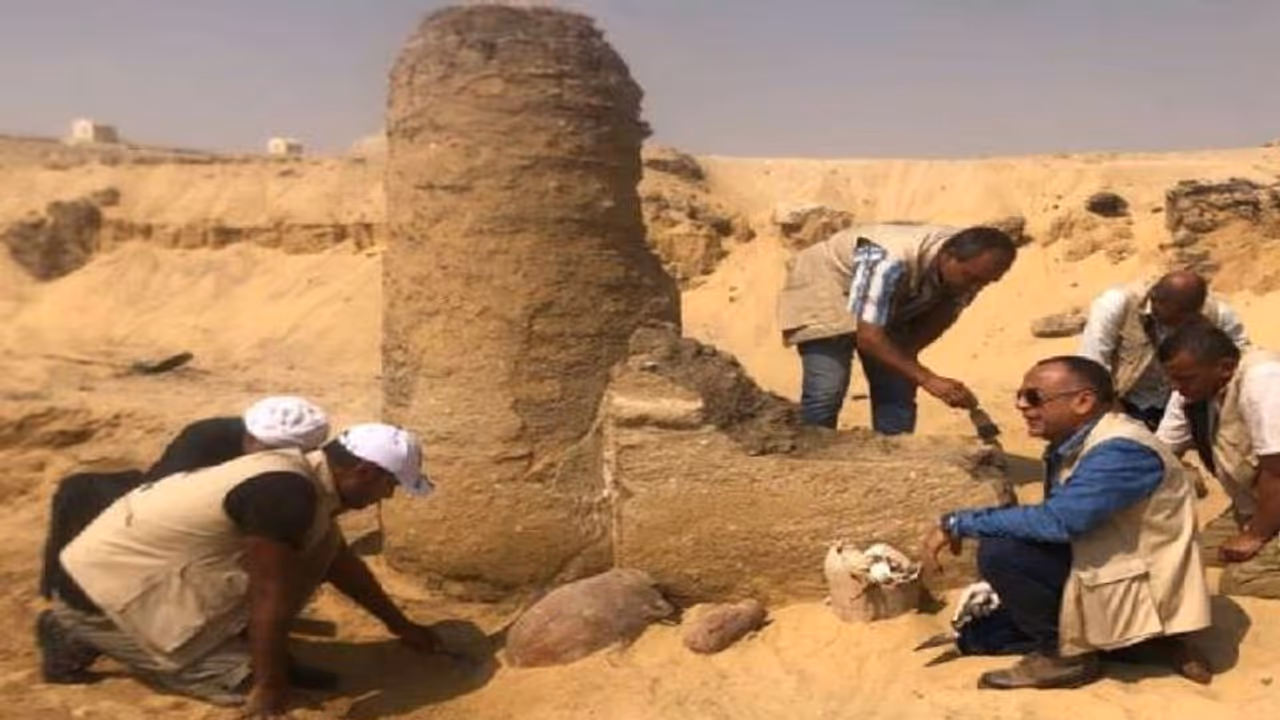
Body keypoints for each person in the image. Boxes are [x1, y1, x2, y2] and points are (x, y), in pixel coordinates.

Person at [39, 423, 438, 718]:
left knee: (319, 547)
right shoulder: (287, 493)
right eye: (390, 485)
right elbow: (270, 594)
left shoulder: (301, 474)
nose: (387, 496)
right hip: (100, 595)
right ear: (364, 472)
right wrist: (268, 684)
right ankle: (74, 630)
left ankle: (247, 653)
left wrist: (399, 624)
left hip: (134, 575)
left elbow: (338, 562)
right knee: (283, 703)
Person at [923, 356, 1211, 689]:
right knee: (992, 625)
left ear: (1083, 401)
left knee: (1002, 552)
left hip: (1144, 581)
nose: (1021, 406)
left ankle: (1065, 657)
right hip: (1113, 563)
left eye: (1033, 397)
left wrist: (958, 522)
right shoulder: (1079, 441)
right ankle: (1135, 643)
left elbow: (1061, 522)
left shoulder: (1119, 450)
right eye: (1019, 396)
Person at [39, 396, 331, 611]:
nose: (261, 452)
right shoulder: (207, 438)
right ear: (249, 435)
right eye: (258, 444)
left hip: (230, 520)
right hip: (168, 508)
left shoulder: (298, 473)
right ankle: (59, 588)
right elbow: (160, 498)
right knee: (78, 490)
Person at [777, 224, 1016, 433]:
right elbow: (869, 337)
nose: (976, 286)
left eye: (987, 281)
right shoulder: (887, 258)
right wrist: (928, 379)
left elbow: (941, 315)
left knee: (897, 385)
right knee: (826, 391)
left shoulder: (973, 269)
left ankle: (896, 458)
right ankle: (814, 459)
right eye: (971, 277)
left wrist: (907, 362)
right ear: (947, 256)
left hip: (890, 293)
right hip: (828, 284)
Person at [1156, 323, 1280, 598]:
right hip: (1254, 501)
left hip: (1274, 489)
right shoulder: (1193, 392)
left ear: (1224, 367)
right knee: (1197, 554)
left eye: (1185, 379)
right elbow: (1160, 453)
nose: (1176, 387)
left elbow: (1277, 469)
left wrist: (1255, 536)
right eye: (1172, 379)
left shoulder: (1263, 379)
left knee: (1242, 581)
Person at [1079, 270, 1248, 431]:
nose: (1179, 322)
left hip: (1188, 402)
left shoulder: (1218, 314)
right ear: (1154, 298)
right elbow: (1091, 366)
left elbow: (1241, 358)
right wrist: (1117, 414)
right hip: (1126, 401)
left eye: (1186, 317)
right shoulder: (1117, 303)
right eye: (1173, 315)